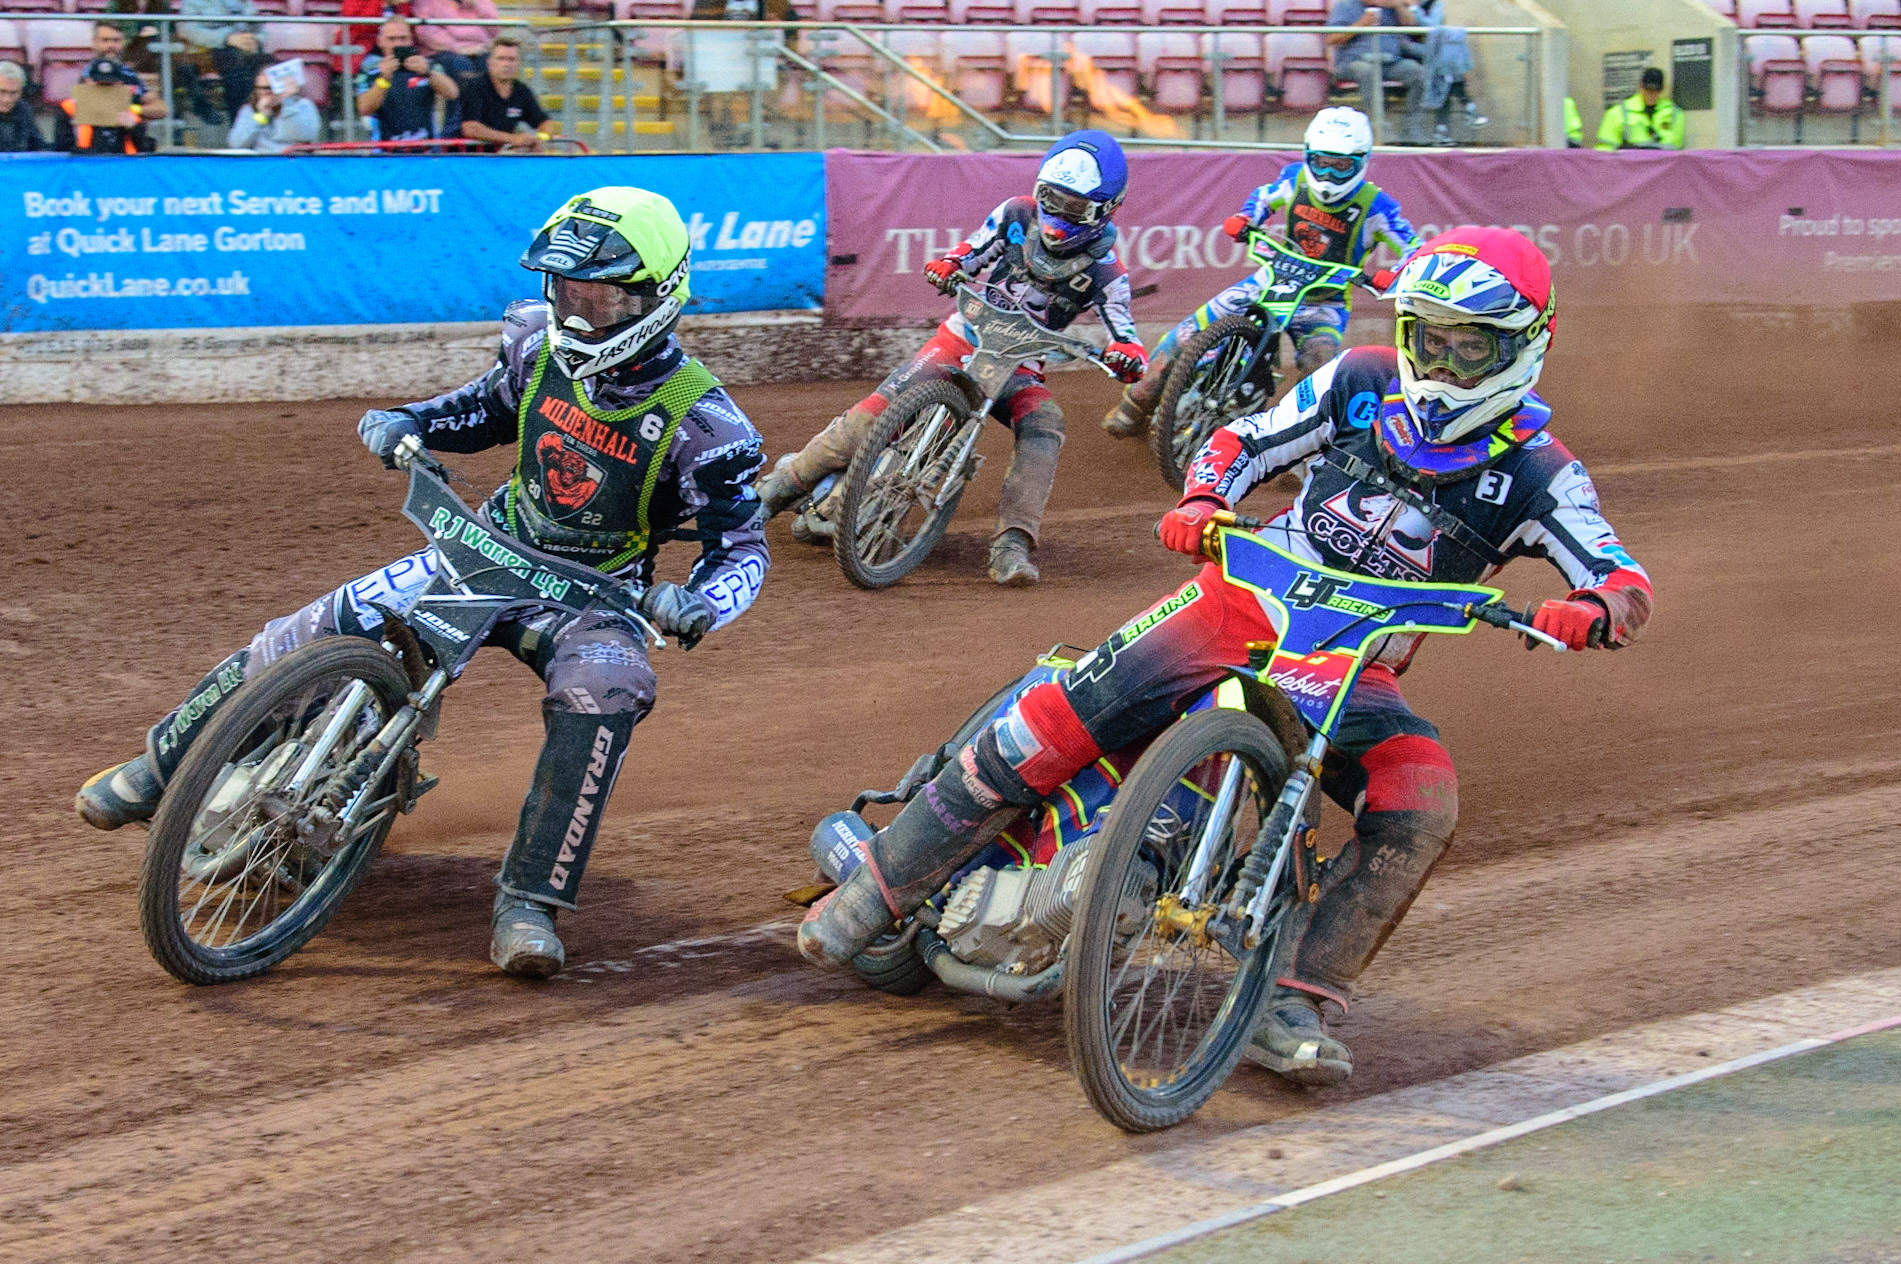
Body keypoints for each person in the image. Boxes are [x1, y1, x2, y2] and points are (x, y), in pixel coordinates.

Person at [797, 226, 1654, 1088]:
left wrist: (1593, 610)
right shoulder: (1358, 380)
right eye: (1429, 339)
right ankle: (877, 890)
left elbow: (1620, 576)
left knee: (1420, 800)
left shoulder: (1542, 473)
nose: (1444, 363)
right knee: (1051, 720)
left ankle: (1292, 1001)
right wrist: (1205, 497)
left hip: (1352, 664)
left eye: (1471, 346)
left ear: (1524, 345)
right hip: (1238, 601)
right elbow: (1243, 439)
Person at [76, 186, 771, 981]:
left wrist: (699, 602)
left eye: (601, 297)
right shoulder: (533, 344)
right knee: (310, 628)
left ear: (657, 295)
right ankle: (162, 766)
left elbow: (743, 550)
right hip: (484, 548)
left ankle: (529, 902)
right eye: (567, 290)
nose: (578, 313)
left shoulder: (707, 426)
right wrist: (409, 420)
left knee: (604, 694)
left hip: (591, 596)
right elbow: (482, 409)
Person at [753, 130, 1148, 587]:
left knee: (1045, 428)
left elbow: (1126, 333)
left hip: (1020, 367)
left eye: (1073, 208)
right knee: (875, 412)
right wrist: (949, 265)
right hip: (962, 339)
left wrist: (1128, 356)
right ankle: (777, 490)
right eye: (1050, 199)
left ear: (1105, 209)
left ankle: (1013, 543)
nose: (1057, 215)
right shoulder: (1015, 214)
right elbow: (970, 252)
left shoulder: (1108, 272)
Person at [1103, 108, 1419, 440]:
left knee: (1320, 367)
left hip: (1323, 304)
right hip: (1269, 281)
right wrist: (1247, 218)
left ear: (1361, 162)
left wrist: (1396, 274)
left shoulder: (1377, 206)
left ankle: (1305, 444)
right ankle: (1135, 403)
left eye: (1341, 166)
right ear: (1308, 155)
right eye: (1321, 163)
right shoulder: (1295, 178)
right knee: (1186, 332)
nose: (1328, 175)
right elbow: (1263, 197)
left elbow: (1413, 246)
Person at [1327, 0, 1425, 145]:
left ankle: (1411, 129)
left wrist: (1399, 7)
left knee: (1418, 73)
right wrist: (1362, 24)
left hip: (1391, 61)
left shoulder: (1390, 6)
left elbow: (1413, 30)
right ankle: (1381, 131)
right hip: (1354, 62)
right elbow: (1332, 38)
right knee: (1368, 72)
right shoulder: (1345, 5)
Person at [354, 16, 458, 143]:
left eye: (403, 38)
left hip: (426, 149)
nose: (398, 44)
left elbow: (452, 93)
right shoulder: (370, 69)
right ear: (380, 41)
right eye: (391, 39)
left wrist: (428, 73)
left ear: (411, 40)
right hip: (385, 150)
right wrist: (383, 79)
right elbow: (364, 109)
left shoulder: (427, 65)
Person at [458, 35, 558, 151]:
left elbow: (545, 122)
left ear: (519, 63)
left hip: (500, 156)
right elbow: (470, 128)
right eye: (501, 59)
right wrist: (512, 138)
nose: (506, 64)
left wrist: (540, 138)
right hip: (464, 156)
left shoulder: (521, 91)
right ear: (489, 62)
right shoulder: (474, 87)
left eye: (512, 59)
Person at [1408, 0, 1485, 146]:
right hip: (1416, 53)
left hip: (1437, 57)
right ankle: (1468, 109)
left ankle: (1443, 130)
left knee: (1447, 78)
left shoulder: (1435, 4)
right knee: (1446, 80)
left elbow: (1433, 26)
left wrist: (1414, 8)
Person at [178, 0, 267, 123]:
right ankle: (239, 125)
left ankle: (267, 125)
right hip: (208, 51)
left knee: (268, 66)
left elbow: (260, 30)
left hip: (244, 51)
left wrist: (255, 40)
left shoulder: (244, 1)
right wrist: (227, 38)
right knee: (235, 68)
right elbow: (188, 31)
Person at [54, 55, 159, 154]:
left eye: (109, 85)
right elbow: (62, 149)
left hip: (122, 165)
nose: (104, 90)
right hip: (84, 165)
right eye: (99, 84)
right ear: (87, 82)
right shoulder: (69, 109)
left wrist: (134, 128)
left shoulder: (130, 112)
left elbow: (146, 149)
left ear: (119, 84)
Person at [228, 64, 321, 151]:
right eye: (259, 88)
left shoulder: (304, 106)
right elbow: (236, 144)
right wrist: (260, 117)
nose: (262, 93)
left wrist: (286, 103)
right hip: (261, 160)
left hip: (292, 159)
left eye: (268, 88)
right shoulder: (249, 110)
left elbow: (303, 137)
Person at [1596, 67, 1685, 151]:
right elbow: (1604, 150)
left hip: (1663, 162)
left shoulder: (1674, 113)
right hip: (1630, 162)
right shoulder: (1618, 113)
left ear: (1662, 89)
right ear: (1640, 87)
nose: (1651, 94)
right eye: (1648, 89)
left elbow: (1676, 149)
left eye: (1656, 90)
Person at [0, 61, 43, 152]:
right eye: (2, 91)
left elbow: (38, 147)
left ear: (21, 92)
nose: (7, 99)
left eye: (13, 93)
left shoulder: (24, 111)